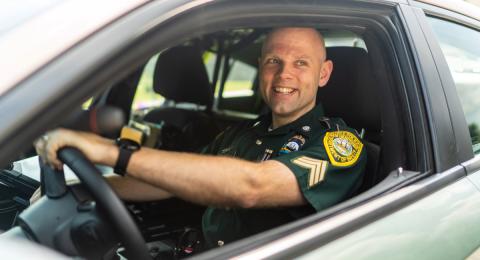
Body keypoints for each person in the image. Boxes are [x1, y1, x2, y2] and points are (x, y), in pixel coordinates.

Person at [34, 27, 367, 248]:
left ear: (324, 74)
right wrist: (87, 188)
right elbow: (169, 181)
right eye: (273, 61)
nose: (284, 75)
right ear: (261, 68)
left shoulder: (339, 145)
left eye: (301, 63)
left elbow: (253, 186)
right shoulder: (244, 132)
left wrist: (111, 153)